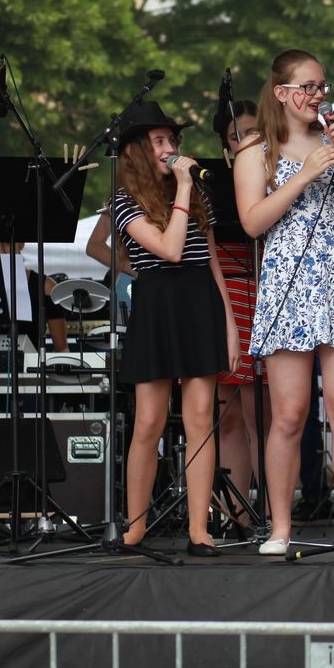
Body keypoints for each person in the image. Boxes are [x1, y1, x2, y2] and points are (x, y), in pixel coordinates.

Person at [235, 52, 334, 555]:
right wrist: (302, 175)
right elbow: (252, 222)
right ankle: (280, 528)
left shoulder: (330, 142)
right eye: (307, 87)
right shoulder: (256, 150)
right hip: (288, 279)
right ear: (282, 92)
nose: (317, 95)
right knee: (289, 414)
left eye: (321, 86)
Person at [111, 100, 239, 556]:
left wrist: (229, 323)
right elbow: (169, 249)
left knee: (201, 419)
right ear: (134, 152)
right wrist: (184, 187)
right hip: (157, 306)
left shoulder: (196, 194)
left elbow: (211, 260)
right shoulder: (124, 201)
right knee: (149, 421)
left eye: (172, 139)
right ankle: (135, 526)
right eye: (159, 141)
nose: (170, 148)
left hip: (200, 301)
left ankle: (199, 530)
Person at [213, 99, 264, 531]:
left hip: (260, 290)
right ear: (224, 146)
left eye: (252, 133)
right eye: (236, 136)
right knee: (226, 416)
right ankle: (236, 515)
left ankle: (271, 512)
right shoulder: (210, 182)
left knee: (259, 415)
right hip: (221, 296)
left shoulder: (272, 174)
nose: (244, 141)